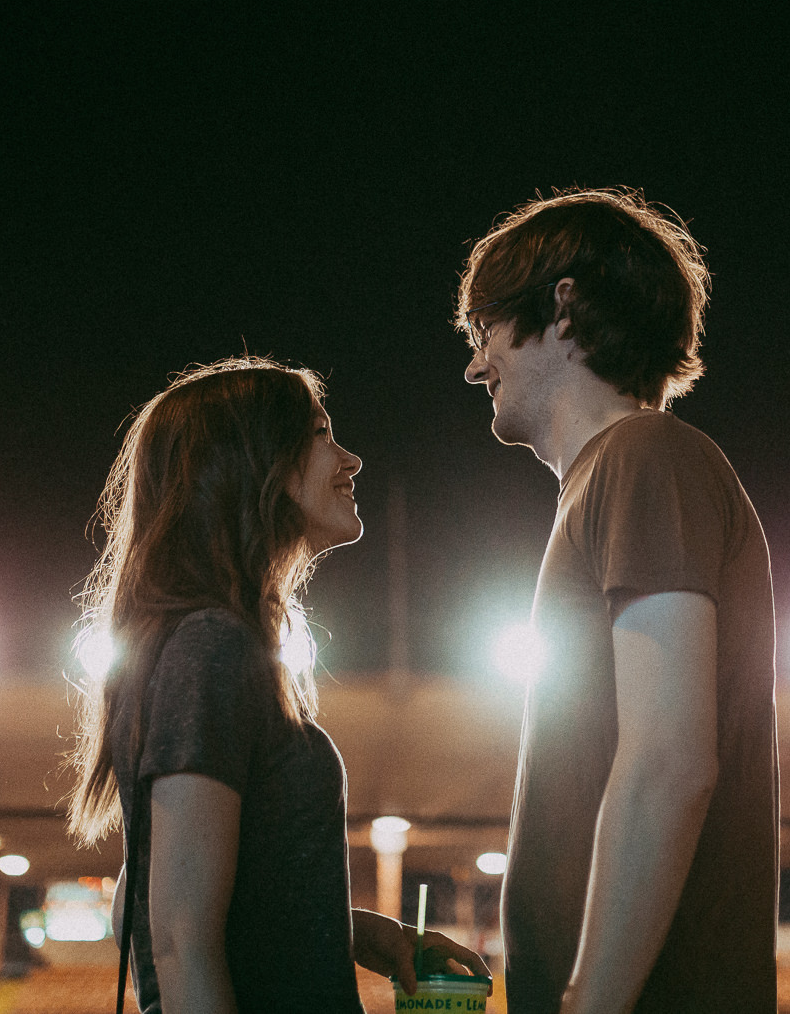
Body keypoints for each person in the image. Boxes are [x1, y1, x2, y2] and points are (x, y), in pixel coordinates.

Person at [66, 357, 486, 1014]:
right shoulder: (212, 646)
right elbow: (177, 938)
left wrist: (355, 932)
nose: (351, 460)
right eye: (321, 433)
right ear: (249, 463)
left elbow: (139, 896)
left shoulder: (217, 645)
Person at [456, 190, 779, 1014]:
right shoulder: (614, 476)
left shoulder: (643, 456)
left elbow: (671, 762)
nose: (473, 364)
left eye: (483, 328)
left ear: (562, 308)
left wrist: (592, 999)